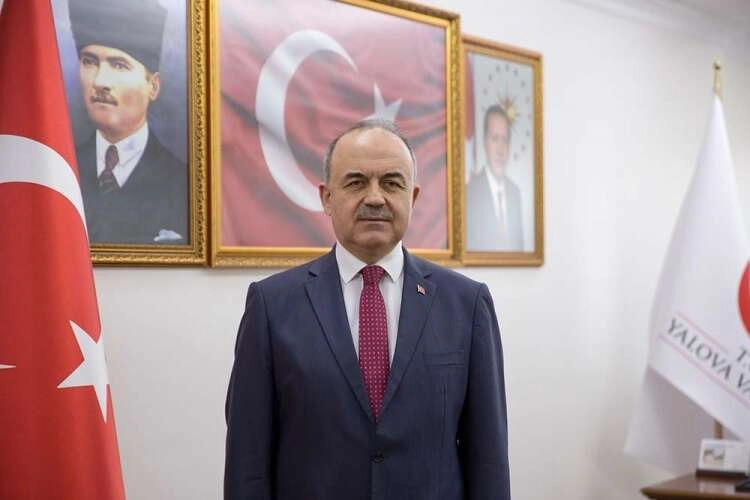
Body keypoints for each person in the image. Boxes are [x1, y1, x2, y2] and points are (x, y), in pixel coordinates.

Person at [225, 119, 510, 499]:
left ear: (413, 197)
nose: (375, 198)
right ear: (327, 197)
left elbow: (488, 461)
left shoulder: (467, 305)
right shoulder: (271, 306)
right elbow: (247, 464)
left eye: (392, 183)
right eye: (356, 182)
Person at [69, 0, 187, 245]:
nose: (100, 81)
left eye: (119, 65)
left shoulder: (183, 183)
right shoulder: (63, 171)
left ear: (153, 86)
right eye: (89, 61)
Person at [466, 105, 524, 251]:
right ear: (484, 142)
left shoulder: (515, 193)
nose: (500, 149)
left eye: (505, 139)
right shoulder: (469, 193)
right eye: (495, 139)